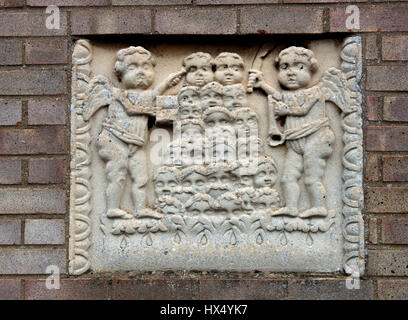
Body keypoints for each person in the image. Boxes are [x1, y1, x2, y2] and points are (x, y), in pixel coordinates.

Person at [86, 46, 184, 218]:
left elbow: (153, 94)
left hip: (136, 143)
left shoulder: (146, 95)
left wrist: (168, 82)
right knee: (118, 173)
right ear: (120, 75)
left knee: (141, 177)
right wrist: (153, 111)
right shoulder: (118, 94)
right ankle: (112, 208)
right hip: (114, 139)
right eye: (133, 67)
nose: (141, 72)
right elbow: (134, 108)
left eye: (146, 67)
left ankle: (140, 209)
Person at [248, 46, 336, 218]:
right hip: (295, 143)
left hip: (317, 139)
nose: (291, 73)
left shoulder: (316, 91)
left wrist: (284, 111)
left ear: (311, 70)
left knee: (312, 177)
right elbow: (280, 97)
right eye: (285, 67)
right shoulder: (289, 94)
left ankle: (319, 206)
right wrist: (262, 85)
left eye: (299, 67)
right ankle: (291, 207)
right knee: (287, 178)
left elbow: (301, 109)